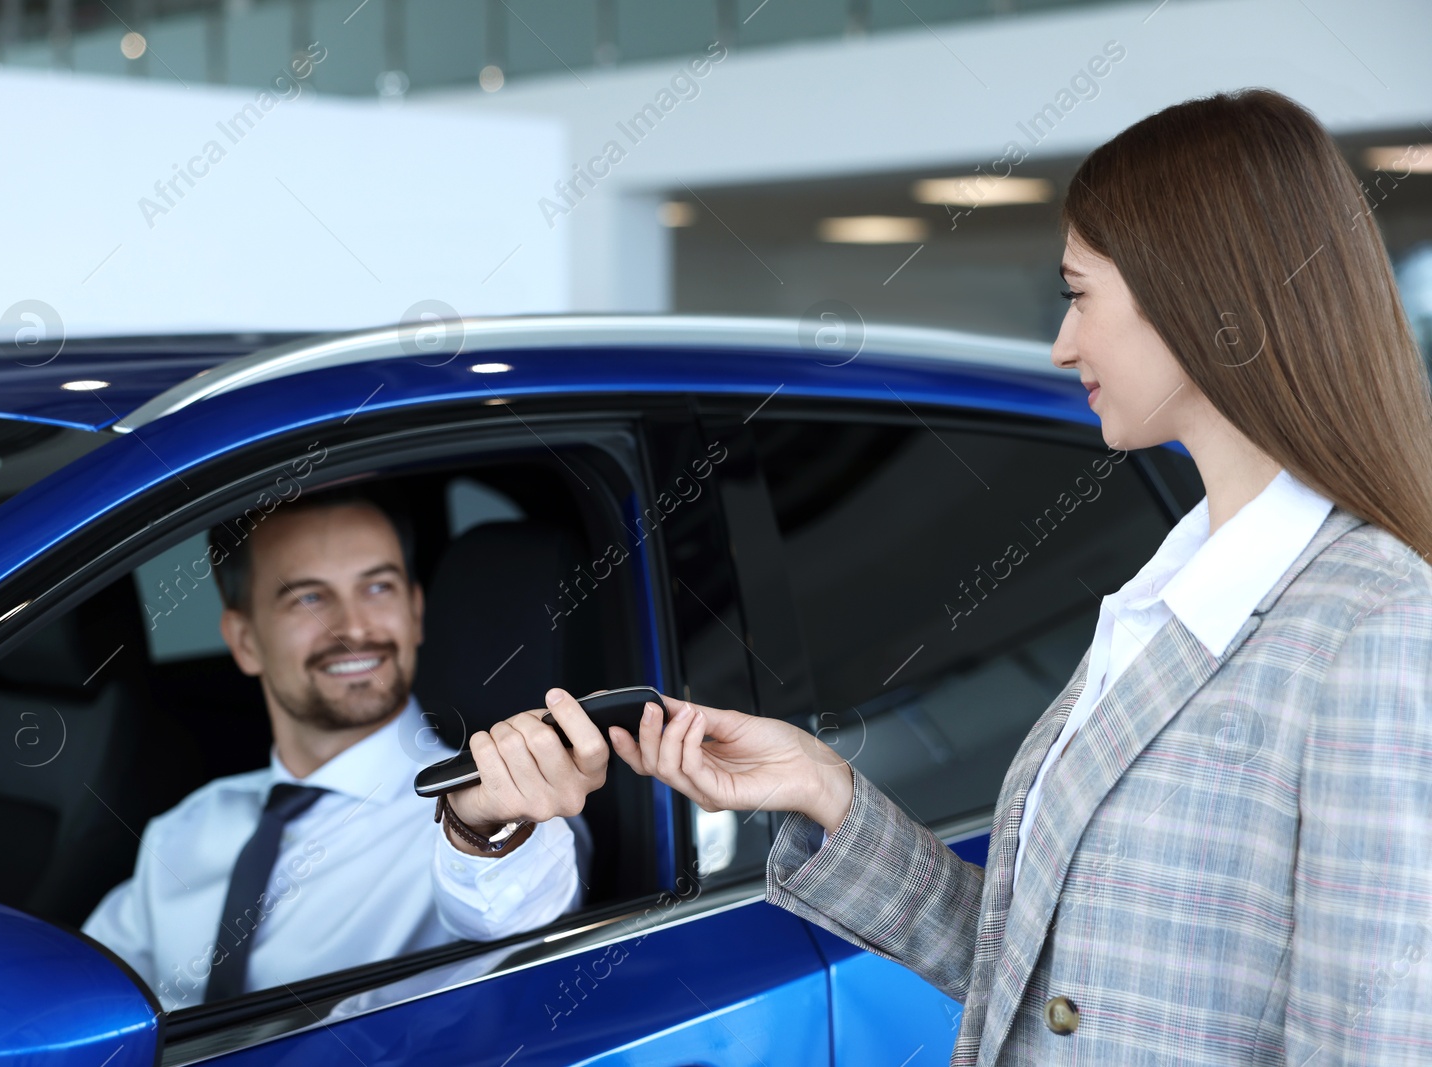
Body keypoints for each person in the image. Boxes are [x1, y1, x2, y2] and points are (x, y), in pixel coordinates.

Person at [602, 89, 1432, 1064]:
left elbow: (1377, 1041)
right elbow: (1047, 987)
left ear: (1201, 300)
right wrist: (827, 790)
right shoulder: (1169, 592)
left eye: (1079, 294)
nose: (1061, 343)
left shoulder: (1374, 626)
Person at [83, 487, 607, 1010]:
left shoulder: (498, 800)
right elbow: (80, 998)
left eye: (378, 587)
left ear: (415, 611)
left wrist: (481, 830)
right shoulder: (182, 831)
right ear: (244, 640)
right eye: (309, 597)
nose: (354, 627)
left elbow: (517, 907)